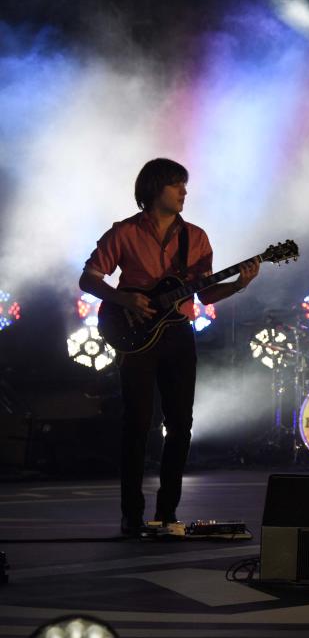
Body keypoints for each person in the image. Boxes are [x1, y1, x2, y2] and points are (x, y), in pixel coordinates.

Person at [79, 158, 260, 536]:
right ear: (154, 188)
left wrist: (240, 283)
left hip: (178, 333)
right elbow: (89, 278)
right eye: (177, 185)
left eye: (184, 185)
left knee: (180, 424)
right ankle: (132, 515)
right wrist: (125, 300)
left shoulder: (195, 237)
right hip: (136, 335)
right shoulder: (124, 232)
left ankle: (167, 513)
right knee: (137, 424)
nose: (184, 192)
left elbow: (207, 292)